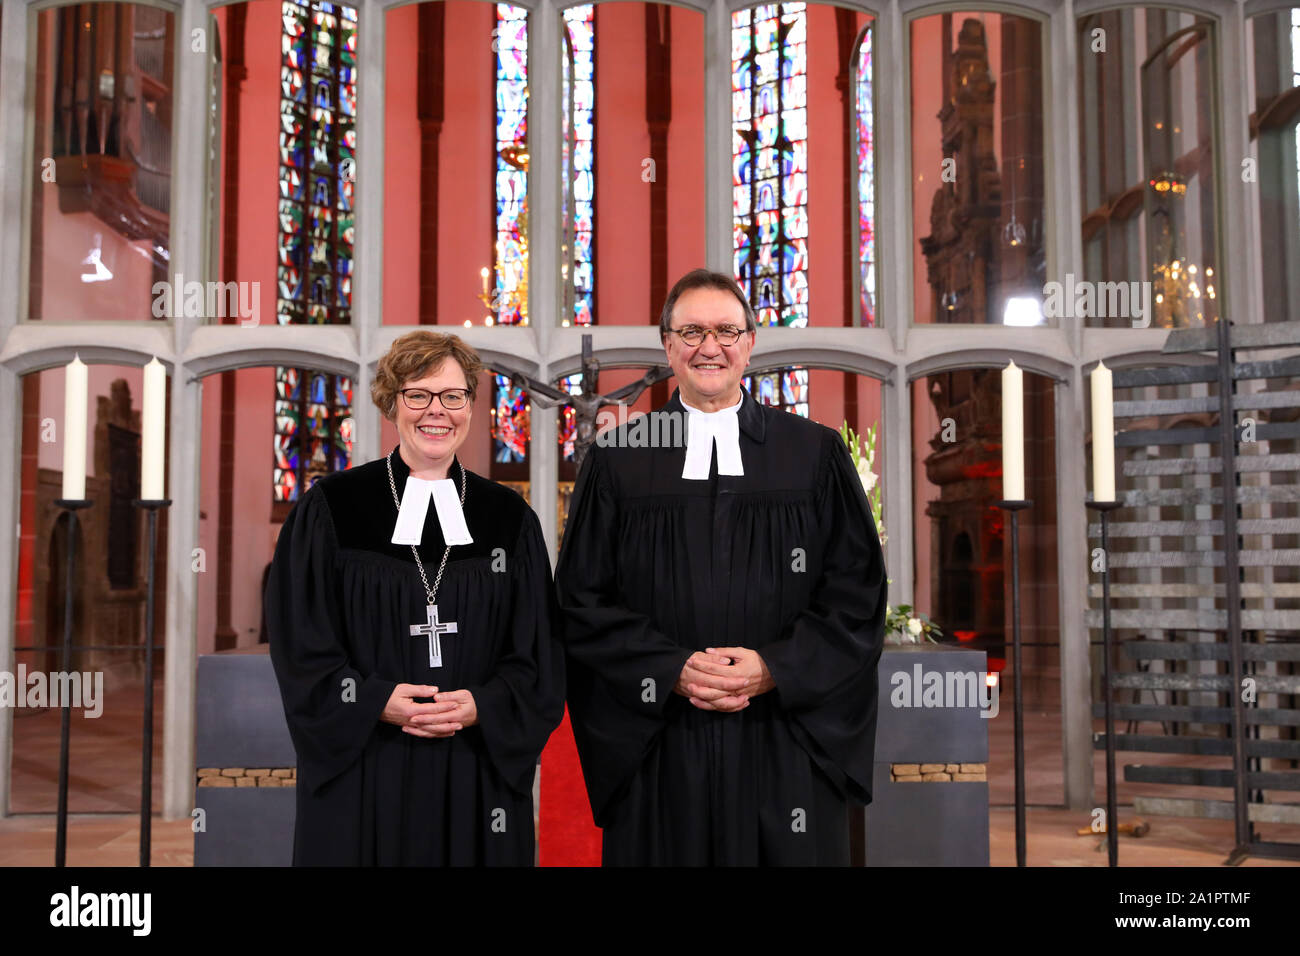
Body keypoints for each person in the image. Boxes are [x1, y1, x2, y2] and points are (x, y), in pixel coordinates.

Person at [556, 268, 887, 865]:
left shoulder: (812, 454)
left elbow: (855, 597)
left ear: (751, 342)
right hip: (662, 742)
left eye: (726, 330)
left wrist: (773, 667)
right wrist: (671, 668)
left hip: (784, 740)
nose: (710, 347)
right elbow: (582, 601)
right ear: (667, 346)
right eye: (691, 332)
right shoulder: (618, 461)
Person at [266, 331, 564, 865]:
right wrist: (373, 700)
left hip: (476, 765)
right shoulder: (333, 509)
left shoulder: (508, 519)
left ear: (471, 406)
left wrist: (484, 705)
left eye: (453, 396)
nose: (437, 411)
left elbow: (538, 651)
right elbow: (300, 644)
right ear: (391, 402)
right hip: (363, 764)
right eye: (418, 395)